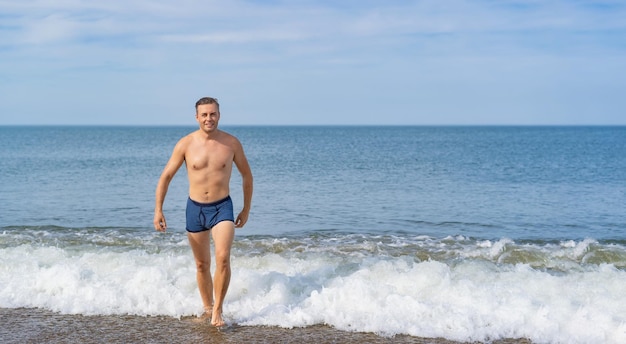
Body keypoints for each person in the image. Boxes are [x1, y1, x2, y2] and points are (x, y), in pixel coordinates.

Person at [153, 96, 253, 327]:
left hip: (222, 208)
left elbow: (246, 176)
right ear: (197, 117)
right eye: (204, 114)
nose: (209, 118)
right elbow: (166, 176)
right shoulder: (185, 144)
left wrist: (246, 209)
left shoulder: (231, 143)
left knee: (223, 258)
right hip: (195, 208)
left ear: (219, 115)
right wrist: (158, 209)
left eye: (213, 114)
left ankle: (218, 310)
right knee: (201, 265)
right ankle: (207, 307)